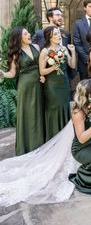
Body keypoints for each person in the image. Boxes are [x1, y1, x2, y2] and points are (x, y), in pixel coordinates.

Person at [0, 27, 45, 155]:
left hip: (40, 84)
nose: (29, 35)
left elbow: (42, 65)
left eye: (28, 33)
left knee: (40, 112)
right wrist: (2, 74)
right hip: (25, 87)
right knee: (28, 115)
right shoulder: (16, 54)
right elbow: (13, 73)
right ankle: (28, 146)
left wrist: (44, 75)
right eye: (26, 34)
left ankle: (40, 143)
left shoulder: (36, 47)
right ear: (19, 37)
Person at [39, 26, 76, 141]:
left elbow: (72, 65)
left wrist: (73, 51)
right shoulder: (45, 51)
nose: (58, 35)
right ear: (49, 37)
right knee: (54, 110)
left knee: (65, 107)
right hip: (52, 86)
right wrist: (52, 68)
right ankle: (54, 138)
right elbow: (42, 71)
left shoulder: (64, 48)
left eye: (59, 33)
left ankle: (65, 139)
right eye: (55, 34)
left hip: (64, 84)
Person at [73, 0, 91, 80]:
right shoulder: (78, 24)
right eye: (90, 6)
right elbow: (77, 44)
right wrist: (88, 59)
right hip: (84, 63)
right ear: (85, 8)